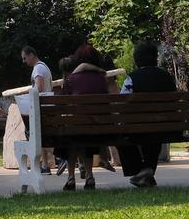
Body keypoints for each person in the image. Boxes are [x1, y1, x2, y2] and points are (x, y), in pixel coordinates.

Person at [119, 42, 176, 187]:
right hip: (167, 127)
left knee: (121, 136)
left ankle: (142, 170)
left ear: (137, 59)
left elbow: (121, 104)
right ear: (155, 58)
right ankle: (147, 172)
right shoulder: (167, 77)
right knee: (154, 134)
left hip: (139, 127)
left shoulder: (132, 78)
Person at [58, 54, 110, 190]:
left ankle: (70, 178)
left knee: (71, 139)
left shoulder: (70, 80)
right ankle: (90, 176)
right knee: (86, 140)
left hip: (74, 128)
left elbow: (61, 103)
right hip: (94, 128)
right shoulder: (100, 78)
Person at [20, 45, 55, 172]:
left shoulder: (38, 68)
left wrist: (26, 94)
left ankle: (62, 158)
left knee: (34, 135)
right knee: (43, 137)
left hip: (42, 107)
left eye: (25, 58)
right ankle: (45, 165)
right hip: (46, 106)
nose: (24, 61)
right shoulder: (42, 66)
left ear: (31, 55)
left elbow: (39, 88)